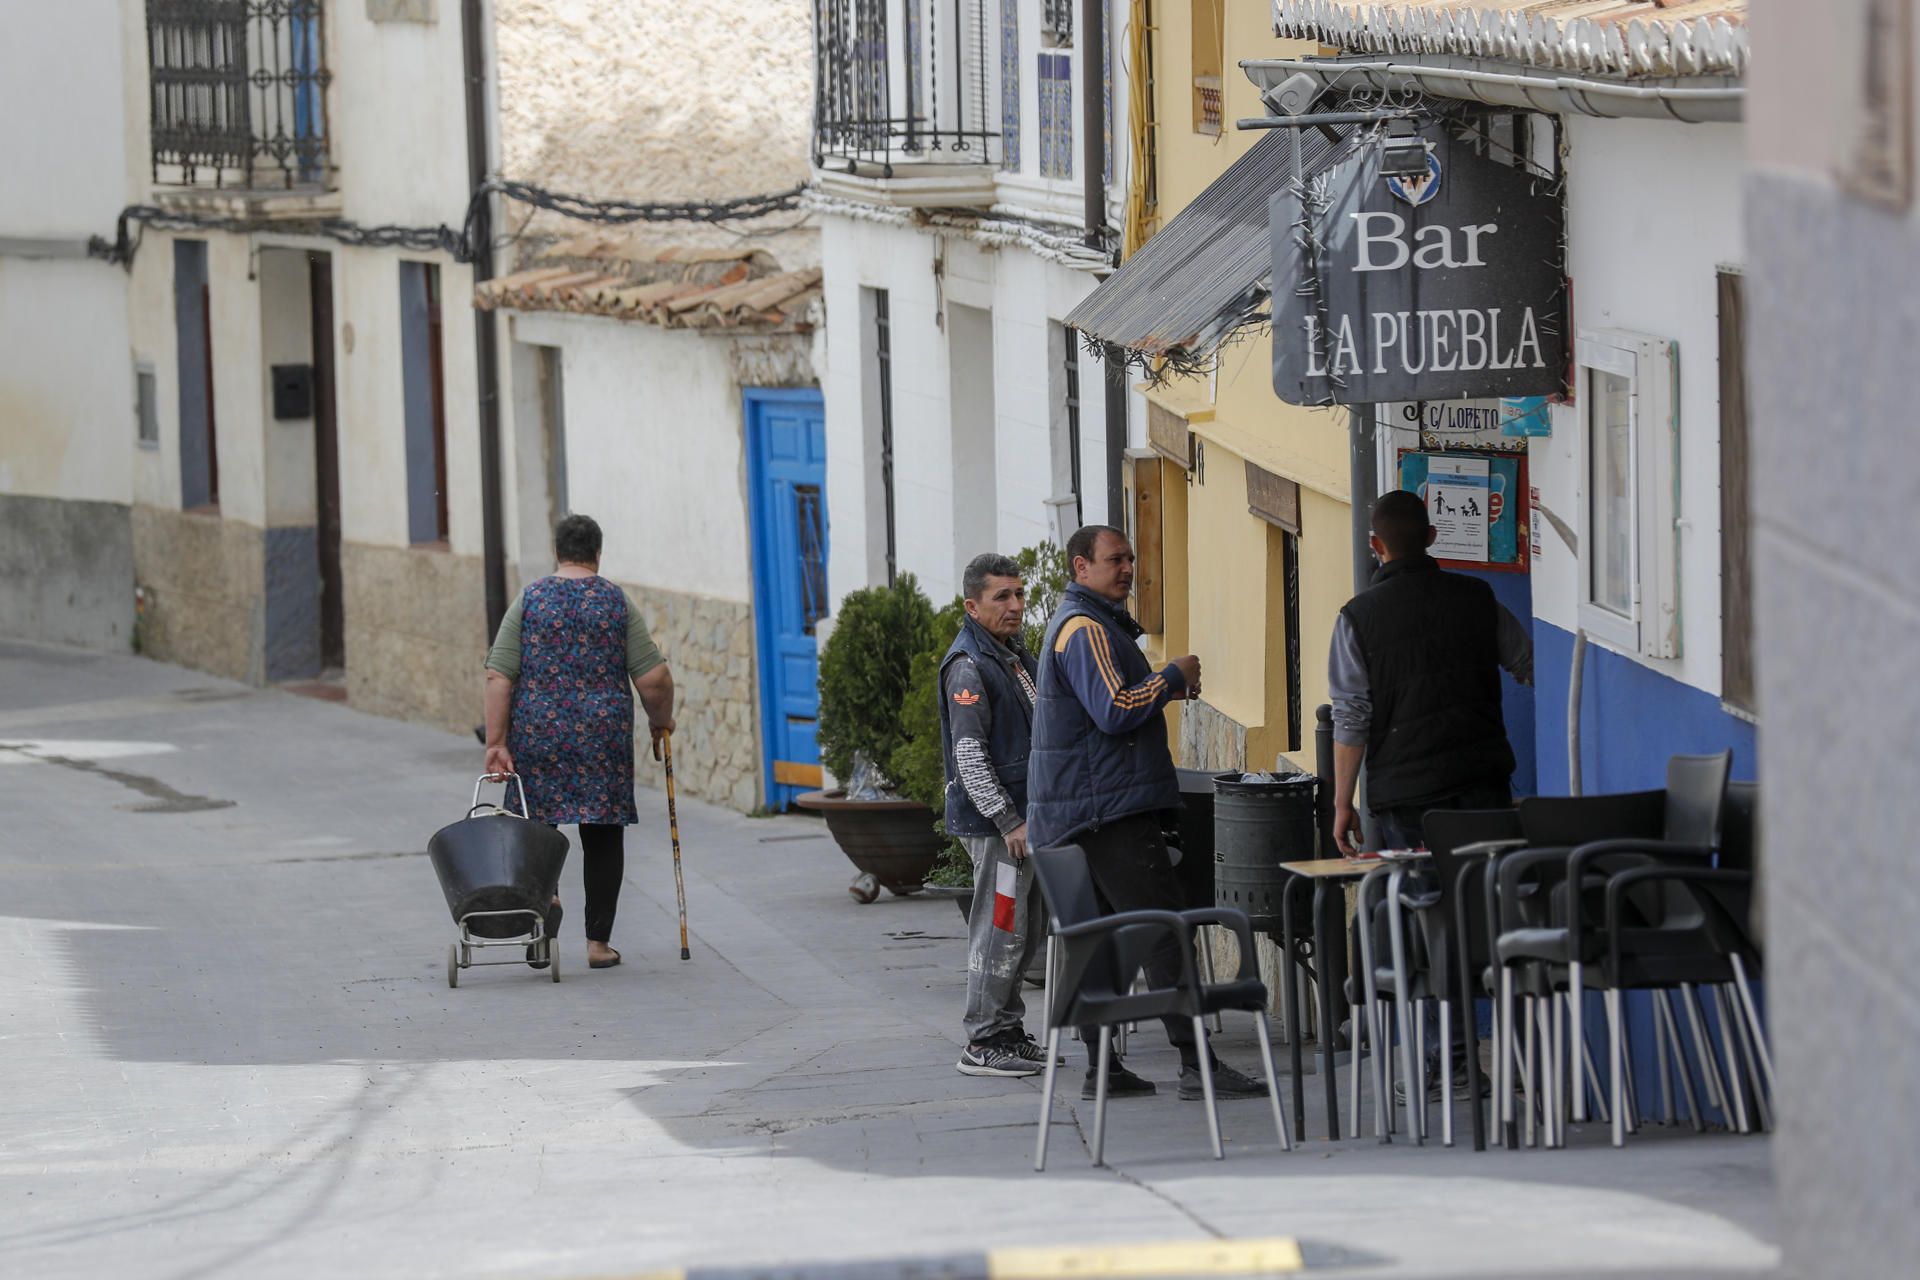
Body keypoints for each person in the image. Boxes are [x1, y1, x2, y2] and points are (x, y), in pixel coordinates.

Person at [1027, 524, 1266, 1102]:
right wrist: (1171, 679)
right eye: (1115, 559)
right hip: (1106, 814)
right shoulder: (1083, 629)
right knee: (1163, 930)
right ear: (1081, 568)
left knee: (1102, 940)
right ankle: (1197, 1065)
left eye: (1131, 558)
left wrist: (1160, 686)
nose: (1128, 568)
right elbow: (1112, 709)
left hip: (1084, 812)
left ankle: (1101, 1068)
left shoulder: (1088, 625)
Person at [482, 514, 676, 970]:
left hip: (538, 734)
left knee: (537, 829)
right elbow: (654, 679)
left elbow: (499, 675)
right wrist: (660, 722)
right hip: (602, 737)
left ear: (558, 552)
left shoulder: (530, 599)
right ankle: (597, 945)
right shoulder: (614, 602)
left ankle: (542, 909)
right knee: (603, 834)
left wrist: (496, 742)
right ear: (597, 554)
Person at [1328, 489, 1533, 855]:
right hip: (1482, 781)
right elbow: (1530, 666)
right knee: (1486, 894)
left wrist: (1343, 803)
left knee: (1421, 901)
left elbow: (1351, 718)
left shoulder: (1356, 619)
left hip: (1406, 794)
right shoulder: (1479, 598)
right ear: (1431, 537)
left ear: (1376, 544)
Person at [941, 553, 1052, 1078]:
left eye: (1019, 594)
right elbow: (969, 756)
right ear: (972, 605)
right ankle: (982, 1041)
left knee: (1024, 932)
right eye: (1001, 597)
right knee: (1000, 928)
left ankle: (1007, 1030)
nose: (1015, 606)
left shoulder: (1009, 656)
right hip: (998, 828)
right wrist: (1008, 821)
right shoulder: (969, 666)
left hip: (1022, 822)